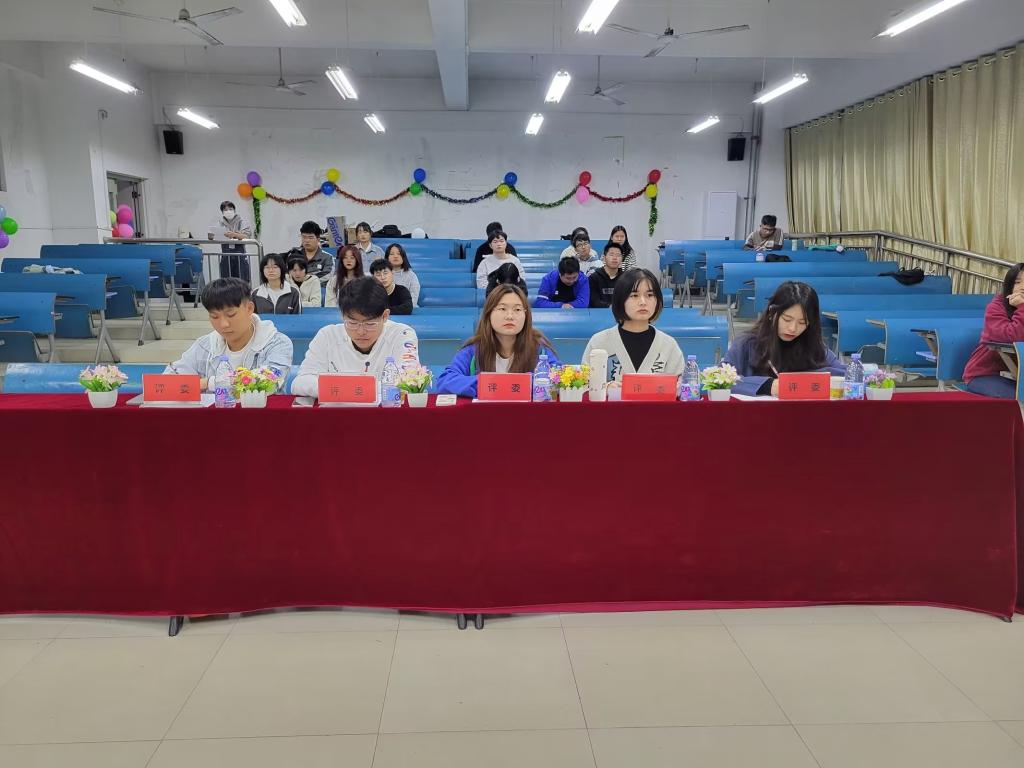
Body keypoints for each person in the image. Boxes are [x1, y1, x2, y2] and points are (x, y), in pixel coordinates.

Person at [291, 276, 420, 397]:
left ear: (385, 316)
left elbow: (409, 383)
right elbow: (300, 382)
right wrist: (352, 389)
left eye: (370, 324)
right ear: (342, 316)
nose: (361, 331)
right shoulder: (327, 336)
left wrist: (340, 388)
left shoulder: (402, 335)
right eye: (352, 323)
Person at [165, 277, 293, 390]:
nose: (223, 324)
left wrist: (208, 383)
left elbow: (270, 380)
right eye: (214, 317)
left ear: (249, 308)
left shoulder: (277, 343)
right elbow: (169, 380)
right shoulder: (204, 345)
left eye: (231, 315)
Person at [723, 280, 845, 396]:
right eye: (787, 319)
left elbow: (845, 375)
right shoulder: (746, 344)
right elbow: (720, 380)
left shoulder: (815, 346)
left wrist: (802, 380)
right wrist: (768, 386)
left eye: (802, 322)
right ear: (772, 313)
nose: (793, 328)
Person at [437, 284, 559, 398]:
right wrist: (490, 383)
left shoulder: (539, 349)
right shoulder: (473, 350)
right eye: (502, 309)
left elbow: (559, 378)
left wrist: (502, 384)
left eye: (517, 310)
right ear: (489, 313)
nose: (510, 316)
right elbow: (445, 381)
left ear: (526, 316)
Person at [583, 268, 684, 382]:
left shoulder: (668, 345)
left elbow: (681, 386)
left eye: (650, 295)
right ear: (620, 300)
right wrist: (607, 388)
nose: (643, 302)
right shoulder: (599, 342)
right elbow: (585, 384)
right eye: (634, 295)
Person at [962, 263, 1024, 399]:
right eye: (1017, 282)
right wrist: (1022, 307)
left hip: (1018, 375)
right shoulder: (996, 307)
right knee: (1018, 397)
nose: (1022, 287)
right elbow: (1013, 337)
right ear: (1009, 285)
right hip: (985, 374)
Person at [210, 200, 252, 281]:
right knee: (226, 281)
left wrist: (234, 234)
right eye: (225, 210)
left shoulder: (241, 222)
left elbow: (247, 236)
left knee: (242, 280)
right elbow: (213, 235)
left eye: (230, 209)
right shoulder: (220, 223)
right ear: (222, 212)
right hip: (226, 256)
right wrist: (211, 235)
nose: (228, 211)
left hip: (240, 255)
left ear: (234, 210)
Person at [589, 243, 624, 308]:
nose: (615, 258)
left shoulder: (626, 278)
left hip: (621, 312)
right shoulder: (594, 278)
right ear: (604, 258)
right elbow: (593, 300)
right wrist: (609, 306)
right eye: (611, 254)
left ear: (622, 258)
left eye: (618, 255)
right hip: (600, 313)